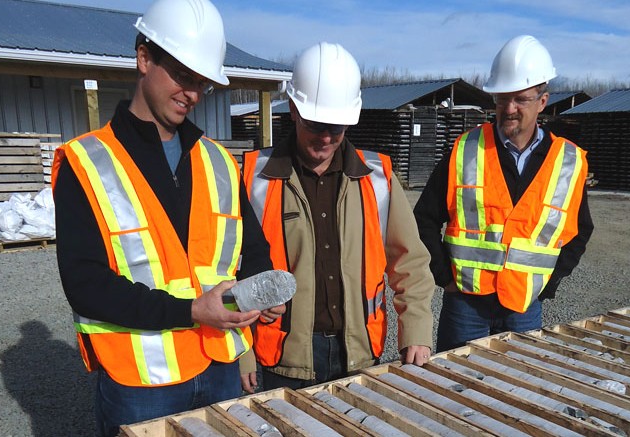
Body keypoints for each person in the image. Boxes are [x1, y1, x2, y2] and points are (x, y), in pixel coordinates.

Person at [51, 0, 283, 435]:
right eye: (182, 75)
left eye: (201, 83)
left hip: (220, 366)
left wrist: (260, 290)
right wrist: (193, 310)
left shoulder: (217, 161)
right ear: (144, 58)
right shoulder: (88, 161)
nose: (192, 94)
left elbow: (251, 249)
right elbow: (85, 285)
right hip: (142, 384)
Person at [242, 42, 436, 390]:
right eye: (317, 124)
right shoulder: (253, 177)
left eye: (338, 126)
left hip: (359, 354)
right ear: (294, 111)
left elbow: (411, 263)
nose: (327, 137)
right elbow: (229, 273)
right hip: (279, 360)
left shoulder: (377, 176)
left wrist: (417, 331)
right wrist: (240, 353)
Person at [413, 35, 594, 351]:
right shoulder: (466, 150)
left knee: (517, 388)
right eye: (501, 99)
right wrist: (443, 276)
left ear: (543, 101)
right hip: (466, 306)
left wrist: (548, 284)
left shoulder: (569, 161)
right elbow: (423, 219)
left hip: (524, 307)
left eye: (520, 99)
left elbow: (580, 231)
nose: (508, 109)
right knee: (453, 386)